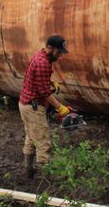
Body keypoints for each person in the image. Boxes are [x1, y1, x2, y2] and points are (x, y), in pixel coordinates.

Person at [19, 35, 71, 177]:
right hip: (33, 107)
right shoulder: (43, 63)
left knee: (31, 136)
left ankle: (28, 169)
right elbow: (44, 93)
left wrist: (50, 82)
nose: (60, 55)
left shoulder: (40, 56)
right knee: (43, 141)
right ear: (50, 48)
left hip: (25, 104)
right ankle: (47, 175)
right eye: (58, 52)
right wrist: (60, 107)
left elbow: (39, 80)